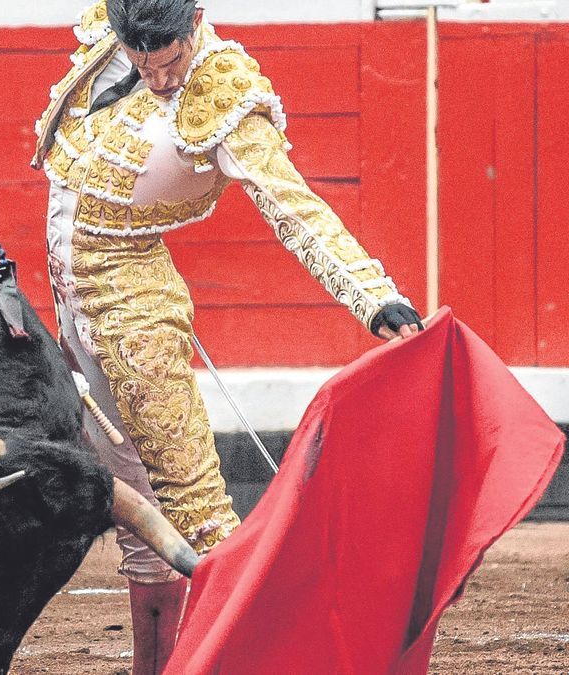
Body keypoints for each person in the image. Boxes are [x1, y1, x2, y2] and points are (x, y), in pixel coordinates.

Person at [30, 1, 425, 672]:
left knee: (199, 518)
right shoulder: (112, 34)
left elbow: (294, 207)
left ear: (197, 23)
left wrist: (372, 294)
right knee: (139, 520)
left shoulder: (225, 92)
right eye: (142, 62)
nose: (158, 79)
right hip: (73, 315)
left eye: (172, 61)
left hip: (136, 322)